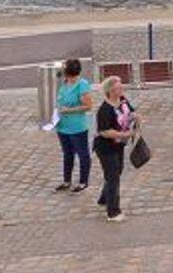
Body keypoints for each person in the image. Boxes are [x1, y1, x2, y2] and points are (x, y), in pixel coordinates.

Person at [93, 76, 138, 223]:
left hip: (118, 145)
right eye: (119, 88)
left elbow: (130, 112)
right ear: (110, 91)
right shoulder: (104, 110)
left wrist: (135, 117)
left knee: (117, 171)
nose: (122, 89)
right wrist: (125, 135)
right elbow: (105, 132)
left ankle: (104, 198)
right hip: (105, 147)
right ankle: (113, 212)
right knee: (113, 177)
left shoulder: (122, 100)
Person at [53, 58, 95, 194]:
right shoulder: (63, 82)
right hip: (62, 125)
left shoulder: (82, 85)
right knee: (67, 154)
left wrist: (69, 110)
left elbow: (88, 106)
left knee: (83, 155)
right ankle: (67, 181)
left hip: (77, 127)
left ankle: (83, 182)